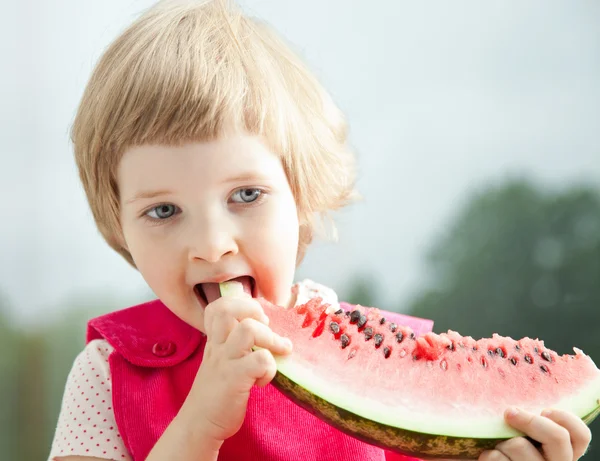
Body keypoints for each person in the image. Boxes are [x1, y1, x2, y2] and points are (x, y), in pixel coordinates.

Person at [47, 1, 592, 460]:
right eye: (164, 211)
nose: (213, 244)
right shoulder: (105, 374)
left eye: (246, 195)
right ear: (119, 227)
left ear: (302, 201)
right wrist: (198, 427)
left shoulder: (394, 366)